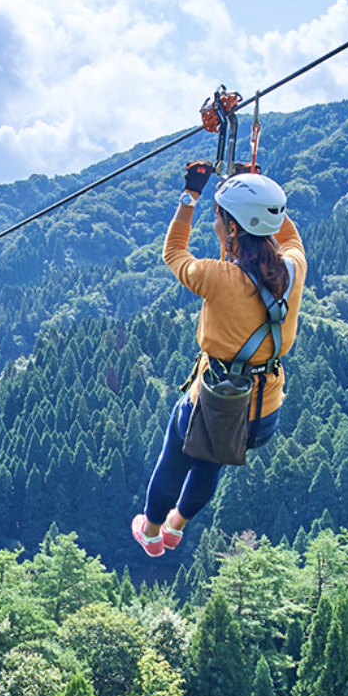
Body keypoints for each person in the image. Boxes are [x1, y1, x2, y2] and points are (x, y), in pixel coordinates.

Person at [133, 161, 306, 556]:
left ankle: (153, 531)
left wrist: (190, 194)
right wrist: (256, 192)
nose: (215, 225)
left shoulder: (217, 277)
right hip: (263, 414)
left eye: (219, 219)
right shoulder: (295, 268)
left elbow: (174, 252)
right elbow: (287, 232)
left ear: (232, 229)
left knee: (174, 461)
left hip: (213, 403)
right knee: (212, 460)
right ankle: (177, 525)